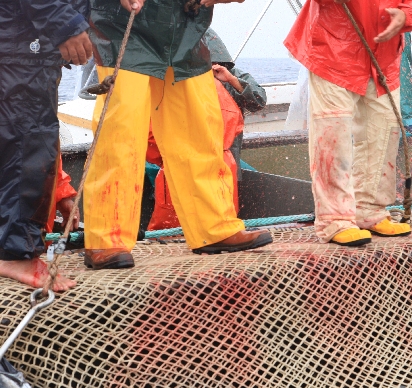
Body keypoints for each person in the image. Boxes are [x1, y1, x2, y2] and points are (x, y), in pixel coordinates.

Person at [83, 0, 272, 269]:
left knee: (199, 130)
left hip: (186, 30)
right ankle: (106, 237)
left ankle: (214, 227)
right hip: (123, 24)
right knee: (120, 135)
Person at [284, 0, 412, 246]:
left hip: (385, 54)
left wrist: (409, 15)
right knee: (333, 134)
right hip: (332, 47)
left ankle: (370, 210)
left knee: (384, 132)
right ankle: (334, 219)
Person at [0, 0, 92, 291]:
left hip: (22, 44)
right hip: (24, 45)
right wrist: (65, 24)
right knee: (27, 141)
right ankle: (14, 255)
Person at [146, 28, 267, 230]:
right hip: (182, 166)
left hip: (225, 166)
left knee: (223, 218)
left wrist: (231, 80)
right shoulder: (175, 78)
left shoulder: (233, 76)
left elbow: (259, 101)